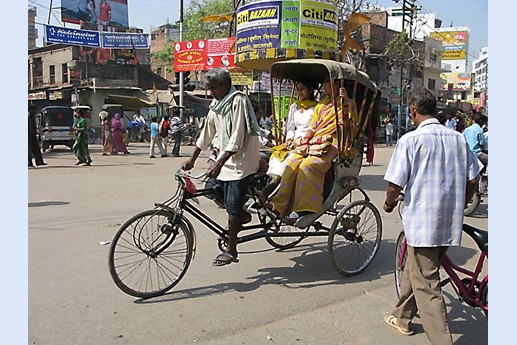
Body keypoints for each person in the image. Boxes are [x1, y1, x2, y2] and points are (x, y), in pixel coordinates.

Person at [382, 87, 481, 345]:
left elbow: (394, 184)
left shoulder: (411, 140)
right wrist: (464, 199)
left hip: (423, 222)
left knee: (426, 282)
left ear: (413, 110)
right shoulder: (457, 139)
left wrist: (389, 203)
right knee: (416, 270)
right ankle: (402, 318)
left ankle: (442, 340)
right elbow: (473, 177)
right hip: (449, 220)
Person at [181, 68, 261, 267]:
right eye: (210, 89)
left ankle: (231, 250)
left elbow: (237, 137)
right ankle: (242, 215)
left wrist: (219, 162)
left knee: (232, 207)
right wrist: (192, 159)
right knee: (211, 189)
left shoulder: (238, 101)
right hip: (225, 161)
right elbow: (206, 133)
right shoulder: (217, 104)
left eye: (214, 88)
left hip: (242, 163)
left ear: (225, 85)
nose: (212, 92)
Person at [269, 77, 356, 223]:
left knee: (308, 166)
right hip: (315, 140)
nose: (324, 87)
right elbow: (313, 126)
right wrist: (306, 139)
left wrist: (345, 101)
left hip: (334, 143)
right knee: (292, 162)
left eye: (327, 84)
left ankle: (304, 208)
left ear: (335, 85)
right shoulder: (321, 105)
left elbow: (349, 125)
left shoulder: (347, 103)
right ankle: (279, 205)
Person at [263, 79, 317, 196]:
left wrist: (301, 142)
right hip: (293, 141)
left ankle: (273, 189)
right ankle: (272, 184)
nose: (299, 93)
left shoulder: (317, 108)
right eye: (298, 90)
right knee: (275, 156)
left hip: (307, 141)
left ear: (311, 90)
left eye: (302, 89)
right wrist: (289, 139)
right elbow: (290, 127)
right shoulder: (294, 106)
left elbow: (313, 128)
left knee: (288, 160)